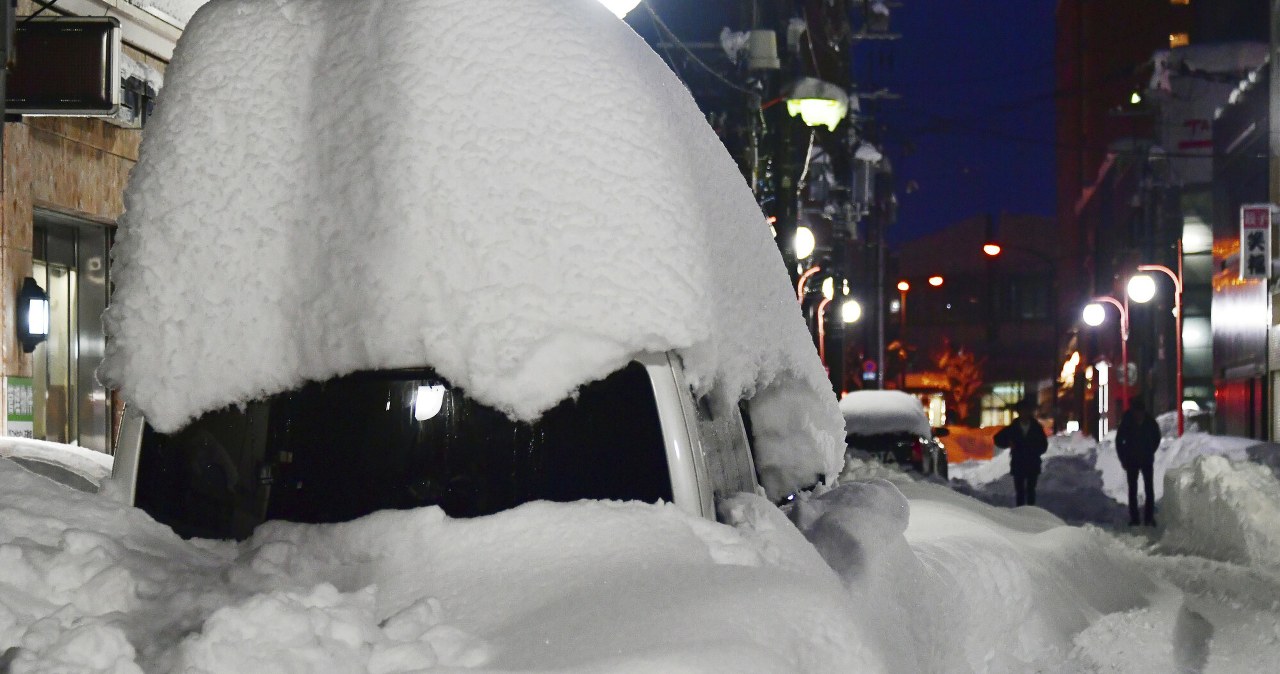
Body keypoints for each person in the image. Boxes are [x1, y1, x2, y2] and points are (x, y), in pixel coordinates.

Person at [994, 399, 1049, 507]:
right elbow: (998, 439)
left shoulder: (1036, 427)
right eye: (1022, 410)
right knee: (1020, 491)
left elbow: (1043, 445)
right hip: (1018, 462)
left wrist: (1034, 450)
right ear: (1018, 412)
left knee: (1030, 490)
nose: (1024, 413)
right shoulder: (1013, 427)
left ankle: (1030, 512)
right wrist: (1008, 443)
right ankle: (1021, 514)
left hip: (1032, 462)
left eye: (1026, 410)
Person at [1116, 399, 1161, 526]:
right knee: (1133, 489)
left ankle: (1148, 518)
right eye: (1137, 412)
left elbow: (1157, 437)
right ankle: (1134, 518)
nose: (1138, 414)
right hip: (1132, 460)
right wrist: (1124, 458)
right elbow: (1119, 441)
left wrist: (1150, 450)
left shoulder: (1150, 422)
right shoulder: (1127, 421)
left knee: (1149, 489)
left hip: (1146, 459)